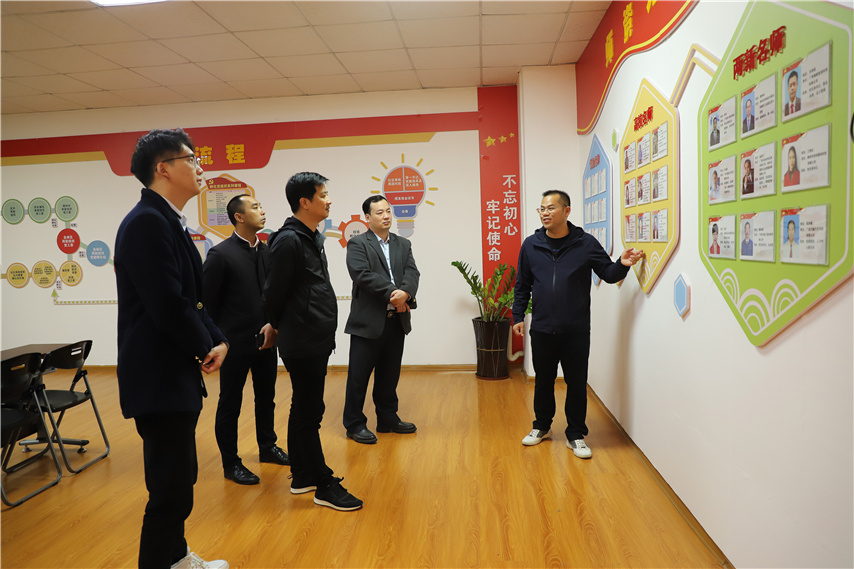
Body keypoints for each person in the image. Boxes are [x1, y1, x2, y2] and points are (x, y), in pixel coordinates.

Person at [115, 128, 229, 569]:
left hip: (171, 373)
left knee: (180, 481)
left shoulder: (167, 220)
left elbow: (191, 300)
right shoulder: (147, 222)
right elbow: (167, 305)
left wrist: (217, 338)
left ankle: (176, 559)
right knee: (169, 490)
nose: (200, 167)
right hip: (157, 376)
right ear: (163, 168)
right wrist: (205, 345)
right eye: (191, 159)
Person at [512, 190, 643, 459]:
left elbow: (607, 273)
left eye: (551, 208)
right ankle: (541, 426)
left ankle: (575, 434)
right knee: (543, 381)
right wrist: (517, 317)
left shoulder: (585, 243)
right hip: (542, 329)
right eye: (542, 209)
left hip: (576, 330)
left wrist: (622, 264)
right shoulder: (531, 245)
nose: (545, 213)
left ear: (566, 211)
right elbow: (522, 285)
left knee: (576, 382)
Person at [262, 172, 363, 511]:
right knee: (309, 412)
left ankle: (302, 475)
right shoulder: (289, 241)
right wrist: (276, 324)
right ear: (304, 202)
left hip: (313, 335)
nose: (328, 200)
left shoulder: (310, 237)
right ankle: (323, 484)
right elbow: (273, 292)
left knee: (305, 407)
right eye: (322, 195)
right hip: (302, 338)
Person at [203, 194, 289, 487]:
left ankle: (268, 447)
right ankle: (231, 463)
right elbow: (207, 305)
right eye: (255, 207)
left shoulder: (267, 251)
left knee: (267, 397)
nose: (262, 211)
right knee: (230, 402)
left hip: (266, 340)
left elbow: (274, 296)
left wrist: (274, 325)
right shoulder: (220, 255)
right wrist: (217, 342)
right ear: (239, 217)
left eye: (261, 206)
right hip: (233, 345)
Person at [342, 196, 420, 444]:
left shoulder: (403, 243)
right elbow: (362, 275)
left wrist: (406, 293)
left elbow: (412, 272)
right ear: (367, 217)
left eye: (388, 211)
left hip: (396, 319)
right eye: (379, 212)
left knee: (389, 374)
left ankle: (387, 418)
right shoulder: (357, 243)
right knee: (358, 377)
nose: (386, 216)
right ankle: (354, 424)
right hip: (367, 321)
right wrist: (394, 294)